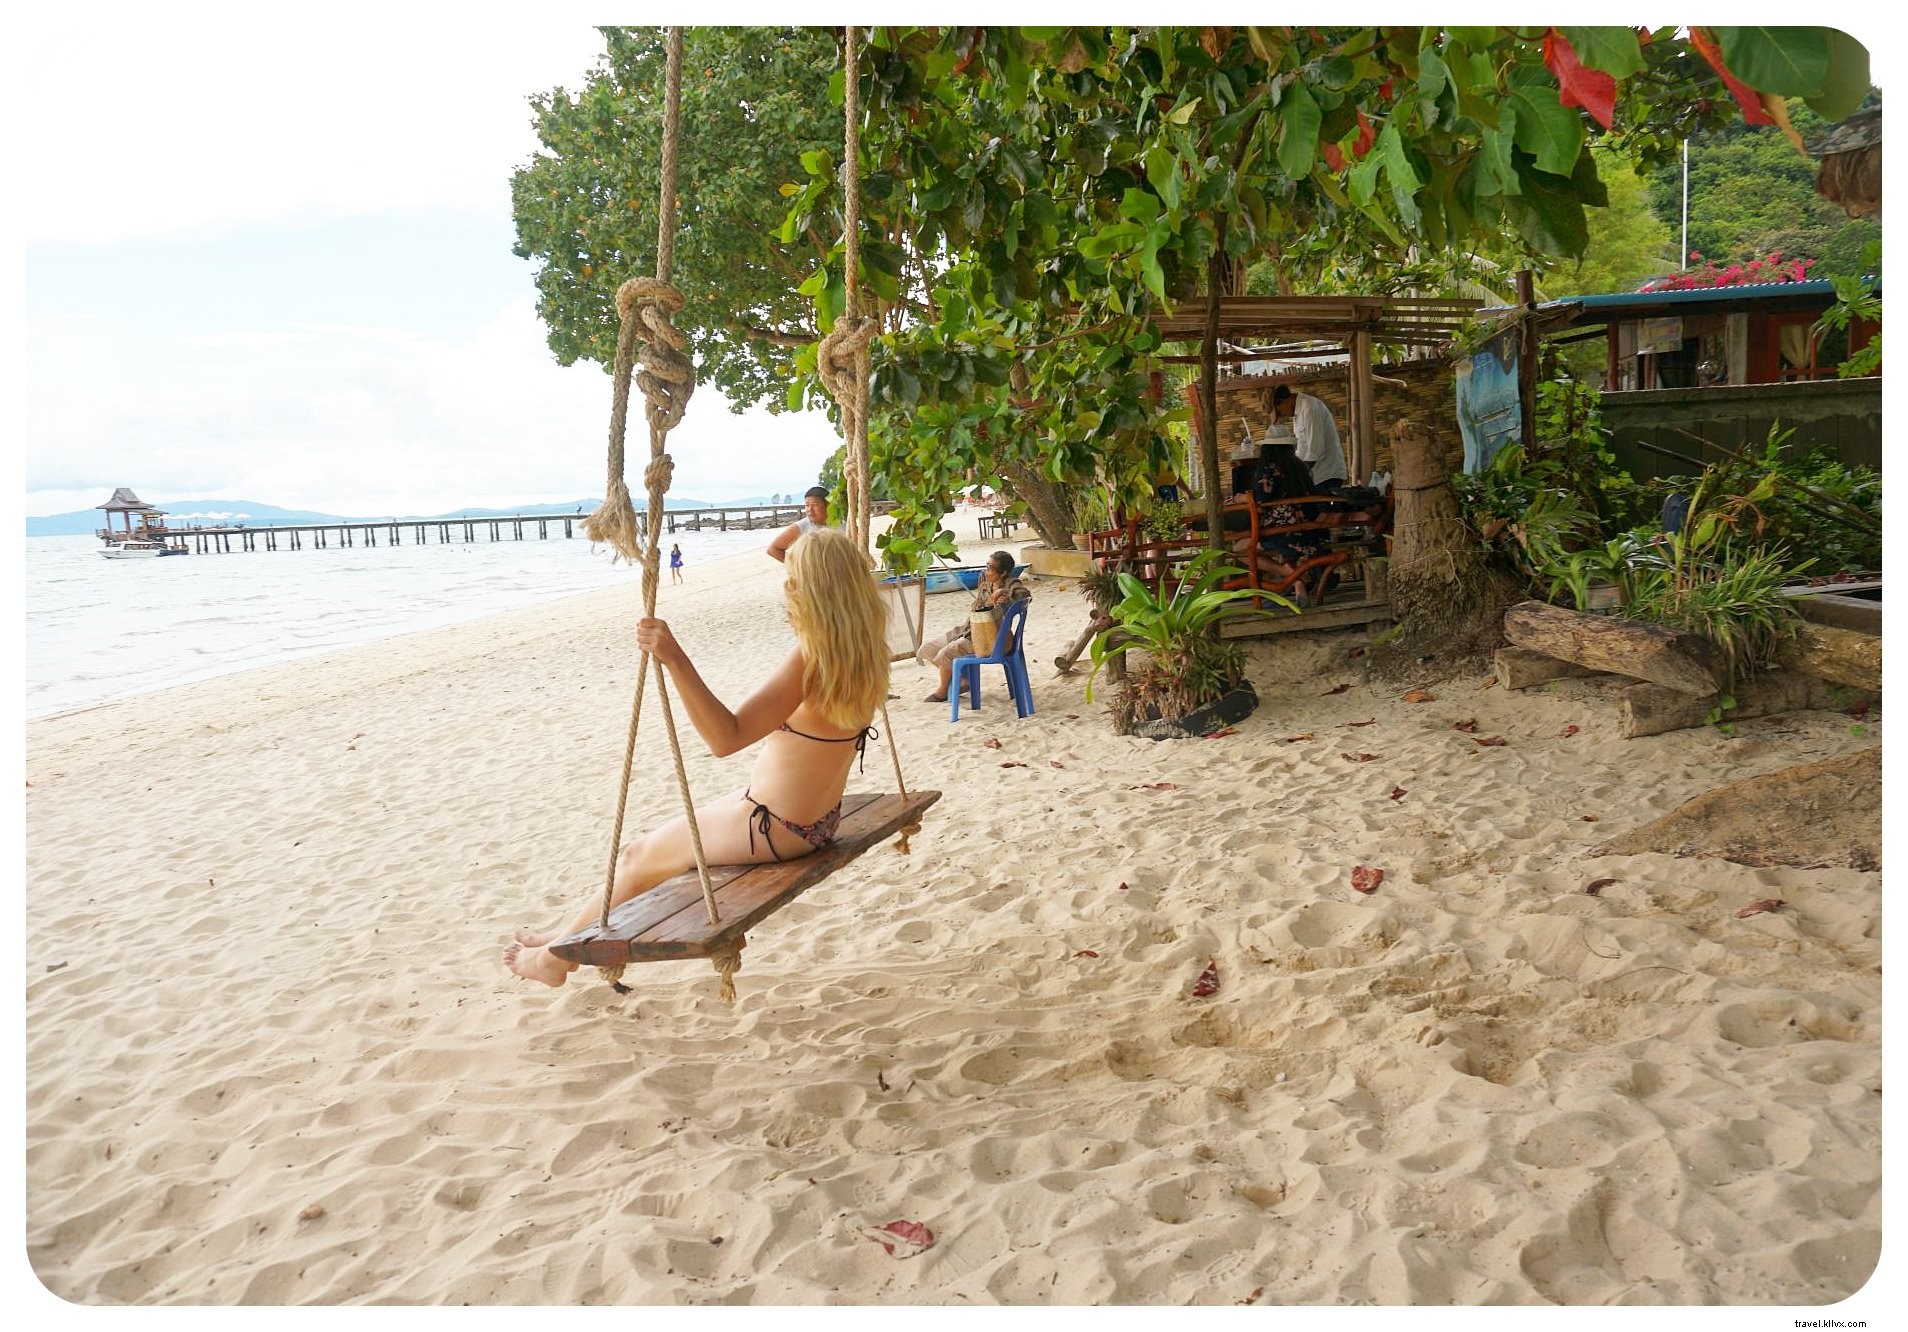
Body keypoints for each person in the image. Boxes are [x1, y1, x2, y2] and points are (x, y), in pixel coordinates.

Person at [503, 528, 891, 988]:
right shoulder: (864, 652)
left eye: (793, 584)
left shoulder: (811, 660)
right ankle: (563, 934)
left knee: (637, 857)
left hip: (773, 828)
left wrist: (674, 657)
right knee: (643, 855)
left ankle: (554, 961)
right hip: (814, 821)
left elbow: (725, 739)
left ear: (810, 593)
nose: (787, 592)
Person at [915, 550, 1031, 703]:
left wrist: (1002, 594)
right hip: (969, 629)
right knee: (926, 648)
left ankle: (942, 691)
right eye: (987, 565)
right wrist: (991, 598)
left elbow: (1024, 595)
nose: (986, 570)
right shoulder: (985, 583)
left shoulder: (1011, 583)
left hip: (990, 638)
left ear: (1002, 573)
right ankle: (962, 680)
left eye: (990, 568)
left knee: (945, 654)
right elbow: (976, 607)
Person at [1270, 385, 1347, 492]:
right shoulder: (1298, 412)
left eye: (1279, 412)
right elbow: (1302, 449)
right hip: (1315, 476)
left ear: (1285, 401)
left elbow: (1315, 451)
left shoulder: (1309, 408)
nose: (1282, 416)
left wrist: (1297, 475)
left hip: (1326, 476)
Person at [767, 486, 833, 563]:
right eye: (807, 505)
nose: (810, 510)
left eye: (815, 505)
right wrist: (797, 567)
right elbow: (772, 549)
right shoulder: (801, 527)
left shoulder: (843, 523)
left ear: (828, 505)